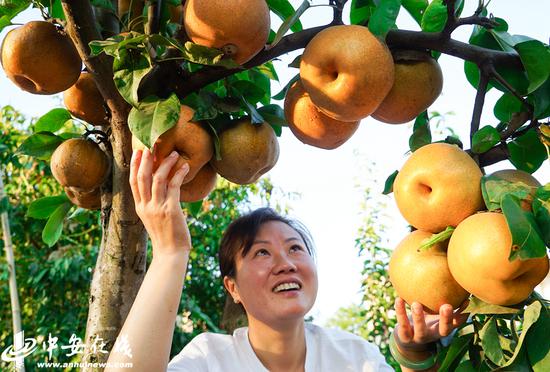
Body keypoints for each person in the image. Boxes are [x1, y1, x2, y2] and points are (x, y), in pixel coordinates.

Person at [105, 149, 468, 371]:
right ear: (232, 287)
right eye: (261, 252)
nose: (286, 262)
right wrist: (170, 253)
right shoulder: (210, 360)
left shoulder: (352, 356)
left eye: (296, 248)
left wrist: (413, 350)